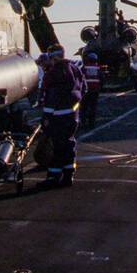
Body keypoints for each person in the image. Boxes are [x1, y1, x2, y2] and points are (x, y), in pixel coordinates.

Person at [37, 44, 83, 188]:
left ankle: (53, 177)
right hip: (73, 116)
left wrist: (45, 117)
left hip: (57, 117)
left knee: (57, 147)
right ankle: (69, 175)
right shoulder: (75, 68)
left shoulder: (53, 74)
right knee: (69, 144)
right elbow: (84, 88)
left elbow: (50, 97)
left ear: (53, 57)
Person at [80, 52, 102, 128]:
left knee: (83, 107)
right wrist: (100, 87)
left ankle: (83, 122)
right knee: (93, 107)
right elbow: (102, 78)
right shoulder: (98, 68)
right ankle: (91, 123)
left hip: (85, 91)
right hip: (95, 90)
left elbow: (79, 78)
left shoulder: (84, 67)